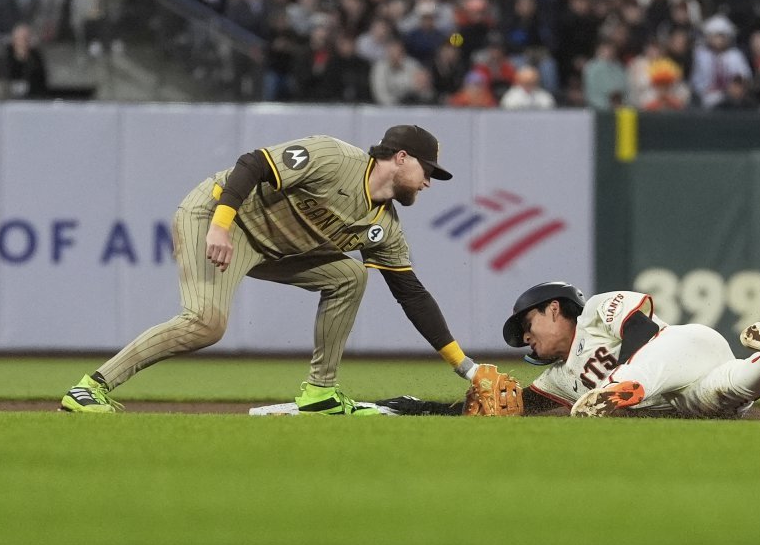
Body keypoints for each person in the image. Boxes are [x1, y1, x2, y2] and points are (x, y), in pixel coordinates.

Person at [60, 125, 482, 414]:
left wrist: (467, 367)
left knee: (350, 277)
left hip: (271, 248)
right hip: (217, 216)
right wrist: (219, 226)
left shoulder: (385, 227)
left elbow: (411, 294)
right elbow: (253, 164)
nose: (429, 181)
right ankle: (90, 388)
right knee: (205, 323)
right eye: (427, 170)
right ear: (402, 158)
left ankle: (319, 393)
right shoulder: (335, 158)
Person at [378, 283, 760, 419]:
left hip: (687, 347)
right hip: (683, 394)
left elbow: (642, 330)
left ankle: (621, 389)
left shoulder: (593, 311)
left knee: (641, 372)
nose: (526, 339)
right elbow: (513, 406)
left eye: (527, 327)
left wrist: (619, 382)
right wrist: (424, 408)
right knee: (726, 393)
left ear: (553, 309)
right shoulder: (557, 379)